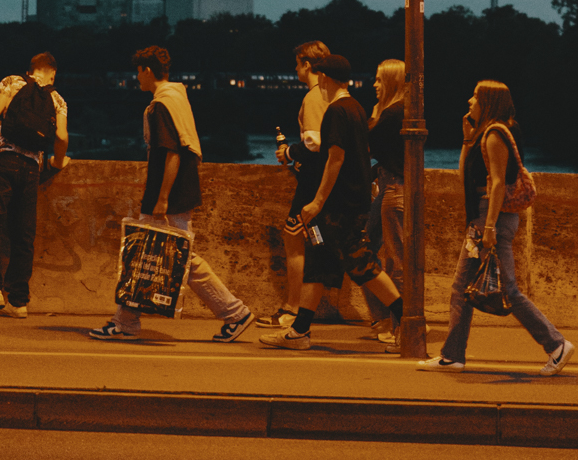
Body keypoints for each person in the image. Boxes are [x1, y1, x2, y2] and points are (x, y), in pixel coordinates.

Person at [88, 45, 254, 343]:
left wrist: (162, 198)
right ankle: (127, 321)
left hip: (170, 192)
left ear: (147, 70)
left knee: (165, 256)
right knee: (162, 255)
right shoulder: (177, 97)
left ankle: (234, 313)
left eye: (138, 72)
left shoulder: (161, 105)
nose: (136, 78)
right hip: (180, 188)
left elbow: (172, 153)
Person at [417, 79, 574, 376]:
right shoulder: (487, 134)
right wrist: (467, 140)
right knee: (463, 288)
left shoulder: (494, 134)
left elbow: (499, 183)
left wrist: (488, 227)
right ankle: (452, 355)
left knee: (507, 289)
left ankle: (556, 345)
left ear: (488, 102)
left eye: (476, 96)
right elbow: (464, 177)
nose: (469, 101)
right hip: (485, 217)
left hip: (491, 217)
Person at [259, 55, 404, 350]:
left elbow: (335, 159)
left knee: (362, 264)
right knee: (320, 262)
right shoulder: (356, 108)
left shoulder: (337, 111)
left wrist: (317, 201)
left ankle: (409, 320)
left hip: (340, 204)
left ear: (324, 78)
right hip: (352, 200)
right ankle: (299, 331)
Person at [0, 52, 70, 318]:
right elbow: (61, 137)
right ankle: (19, 302)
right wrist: (57, 162)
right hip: (31, 168)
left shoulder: (14, 82)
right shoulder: (57, 99)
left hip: (1, 160)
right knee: (23, 235)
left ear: (31, 70)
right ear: (53, 74)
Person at [257, 40, 332, 330]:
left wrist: (289, 153)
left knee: (294, 241)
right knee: (320, 247)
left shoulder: (313, 97)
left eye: (297, 64)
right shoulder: (329, 94)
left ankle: (292, 308)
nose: (295, 69)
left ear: (307, 65)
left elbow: (315, 144)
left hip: (311, 184)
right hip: (322, 182)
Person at [363, 59, 407, 343]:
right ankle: (385, 319)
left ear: (391, 82)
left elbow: (365, 145)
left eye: (379, 79)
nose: (375, 84)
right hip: (389, 186)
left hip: (394, 190)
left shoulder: (392, 114)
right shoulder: (399, 111)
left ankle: (400, 324)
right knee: (366, 248)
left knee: (394, 259)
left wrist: (374, 115)